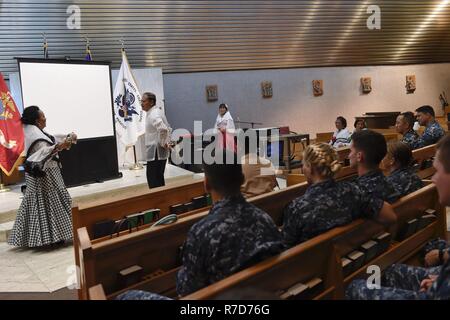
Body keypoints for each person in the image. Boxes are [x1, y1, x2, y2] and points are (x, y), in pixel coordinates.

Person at [346, 134, 450, 300]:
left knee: (354, 287)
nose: (433, 179)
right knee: (389, 271)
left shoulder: (356, 191)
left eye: (437, 171)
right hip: (439, 286)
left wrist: (440, 286)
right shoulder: (388, 183)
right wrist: (442, 281)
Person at [176, 151, 285, 296]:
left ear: (206, 184)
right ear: (241, 179)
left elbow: (186, 291)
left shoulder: (201, 232)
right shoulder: (264, 219)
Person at [282, 143, 396, 247]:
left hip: (316, 267)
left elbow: (286, 251)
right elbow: (390, 216)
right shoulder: (353, 191)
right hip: (352, 258)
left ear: (310, 168)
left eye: (303, 165)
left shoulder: (297, 207)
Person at [8, 106, 75, 248]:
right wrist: (61, 145)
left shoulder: (33, 130)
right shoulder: (33, 133)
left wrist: (65, 137)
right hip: (45, 175)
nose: (45, 118)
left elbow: (50, 139)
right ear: (37, 120)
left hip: (44, 173)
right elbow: (44, 150)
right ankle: (55, 236)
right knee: (50, 202)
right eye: (43, 116)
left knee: (41, 204)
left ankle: (52, 236)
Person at [349, 130, 401, 204]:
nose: (349, 155)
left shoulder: (356, 191)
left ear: (359, 156)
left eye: (350, 151)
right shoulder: (389, 182)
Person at [141, 92, 172, 188]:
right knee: (158, 178)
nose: (141, 103)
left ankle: (157, 200)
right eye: (141, 101)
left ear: (151, 102)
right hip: (157, 152)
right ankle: (161, 199)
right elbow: (167, 128)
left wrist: (163, 143)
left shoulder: (153, 114)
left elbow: (163, 129)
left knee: (153, 179)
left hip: (156, 152)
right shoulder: (155, 111)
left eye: (143, 101)